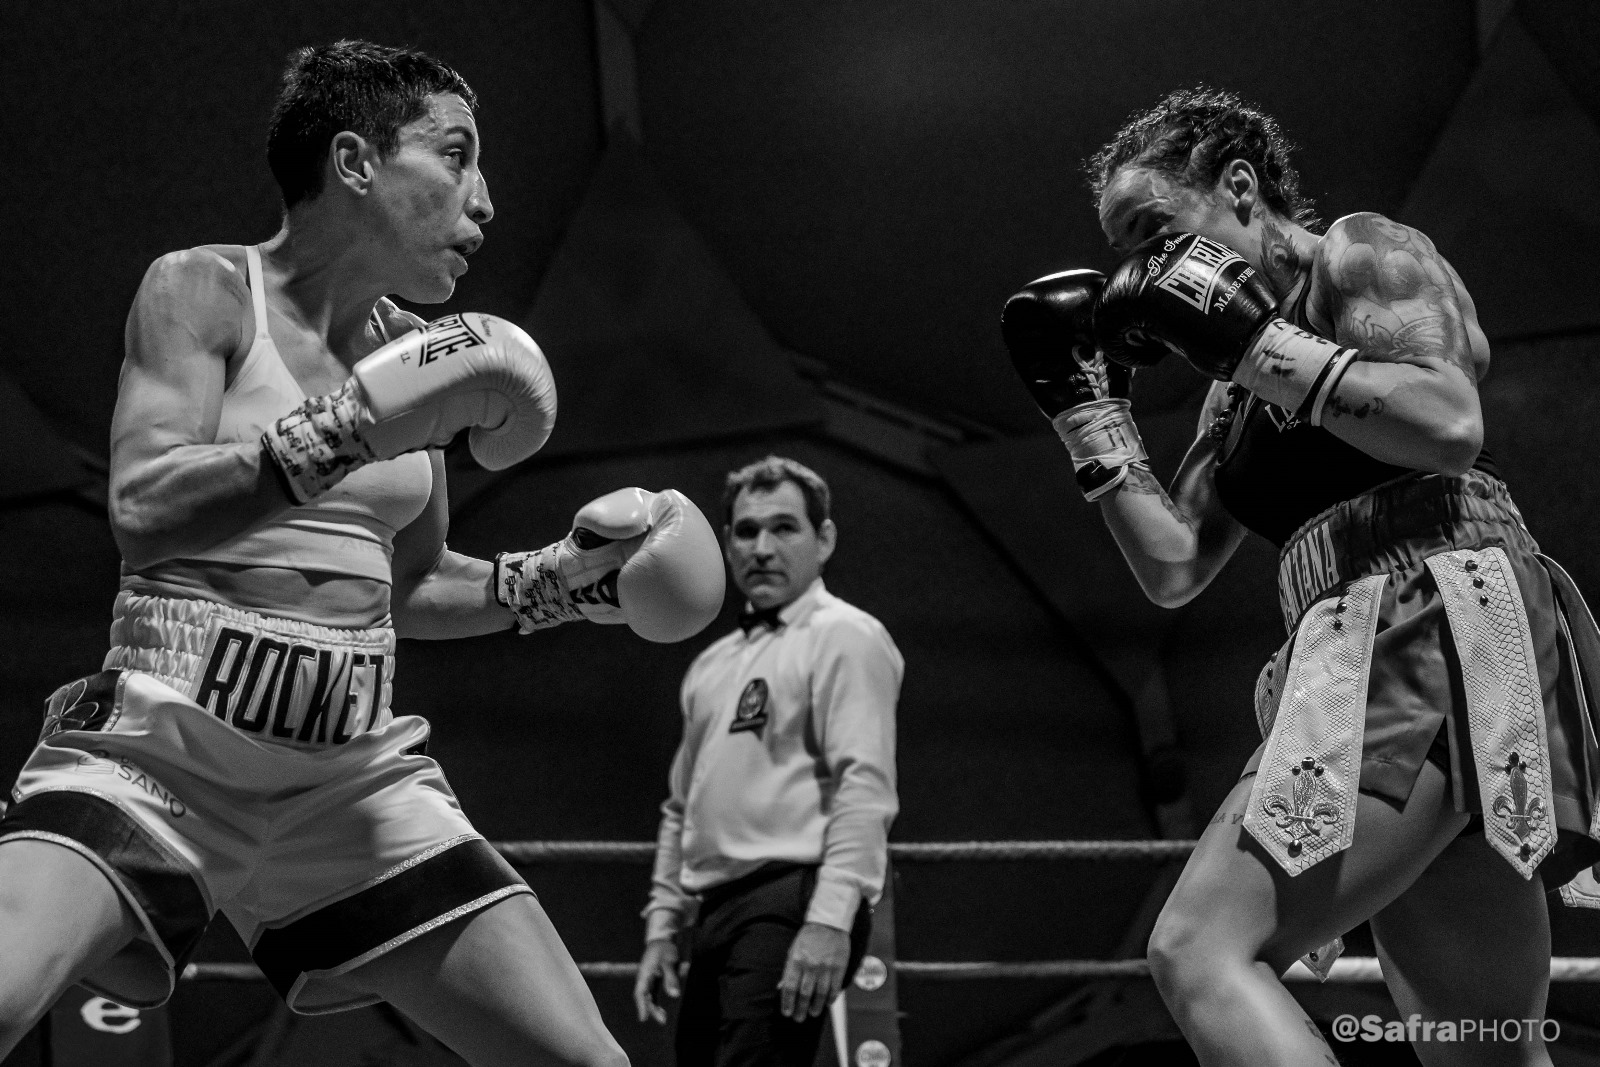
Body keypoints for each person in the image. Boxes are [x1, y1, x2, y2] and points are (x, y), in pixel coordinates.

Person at [0, 40, 726, 1066]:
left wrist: (558, 580)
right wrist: (343, 424)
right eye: (455, 154)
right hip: (165, 752)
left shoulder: (415, 359)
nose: (484, 199)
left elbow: (415, 582)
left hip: (350, 780)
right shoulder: (207, 290)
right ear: (355, 161)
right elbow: (144, 506)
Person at [1002, 86, 1600, 1066]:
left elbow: (1448, 425)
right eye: (1124, 249)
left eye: (1151, 229)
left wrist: (1255, 342)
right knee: (1480, 1050)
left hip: (1433, 614)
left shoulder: (1360, 256)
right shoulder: (1229, 397)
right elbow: (1173, 564)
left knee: (1197, 948)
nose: (1137, 268)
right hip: (1369, 644)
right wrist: (1083, 413)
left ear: (1238, 188)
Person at [633, 456, 901, 1066]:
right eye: (747, 531)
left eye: (784, 528)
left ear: (823, 538)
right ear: (726, 544)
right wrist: (662, 926)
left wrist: (830, 919)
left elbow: (865, 787)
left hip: (792, 896)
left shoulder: (846, 636)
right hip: (717, 910)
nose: (762, 547)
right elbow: (681, 807)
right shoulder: (711, 664)